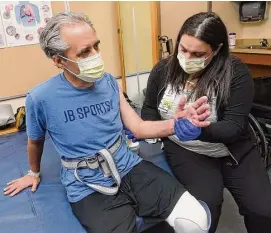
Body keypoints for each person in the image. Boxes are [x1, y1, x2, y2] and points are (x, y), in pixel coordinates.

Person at [3, 12, 212, 233]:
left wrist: (175, 124)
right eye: (84, 52)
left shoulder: (109, 83)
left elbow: (139, 128)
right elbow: (35, 142)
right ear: (58, 61)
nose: (95, 55)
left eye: (96, 46)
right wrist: (33, 173)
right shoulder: (40, 98)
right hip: (85, 183)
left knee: (195, 220)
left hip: (127, 164)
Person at [141, 12, 271, 233]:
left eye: (198, 53)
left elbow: (232, 128)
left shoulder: (236, 73)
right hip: (187, 149)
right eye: (183, 49)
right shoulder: (163, 70)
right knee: (205, 211)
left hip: (232, 148)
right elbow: (150, 108)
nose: (188, 58)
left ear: (217, 50)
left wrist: (197, 129)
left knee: (263, 210)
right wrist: (162, 129)